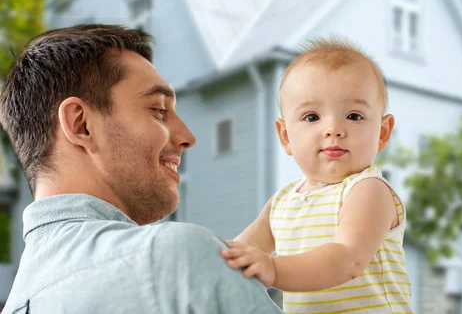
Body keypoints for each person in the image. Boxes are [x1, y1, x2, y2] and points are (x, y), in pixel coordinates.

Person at [0, 24, 282, 314]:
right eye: (159, 110)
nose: (187, 137)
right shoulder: (177, 258)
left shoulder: (18, 303)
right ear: (80, 124)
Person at [221, 38, 414, 313]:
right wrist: (196, 257)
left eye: (354, 116)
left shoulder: (368, 190)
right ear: (285, 136)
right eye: (312, 117)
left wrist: (273, 269)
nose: (334, 129)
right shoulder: (283, 201)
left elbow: (347, 259)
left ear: (382, 133)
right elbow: (235, 251)